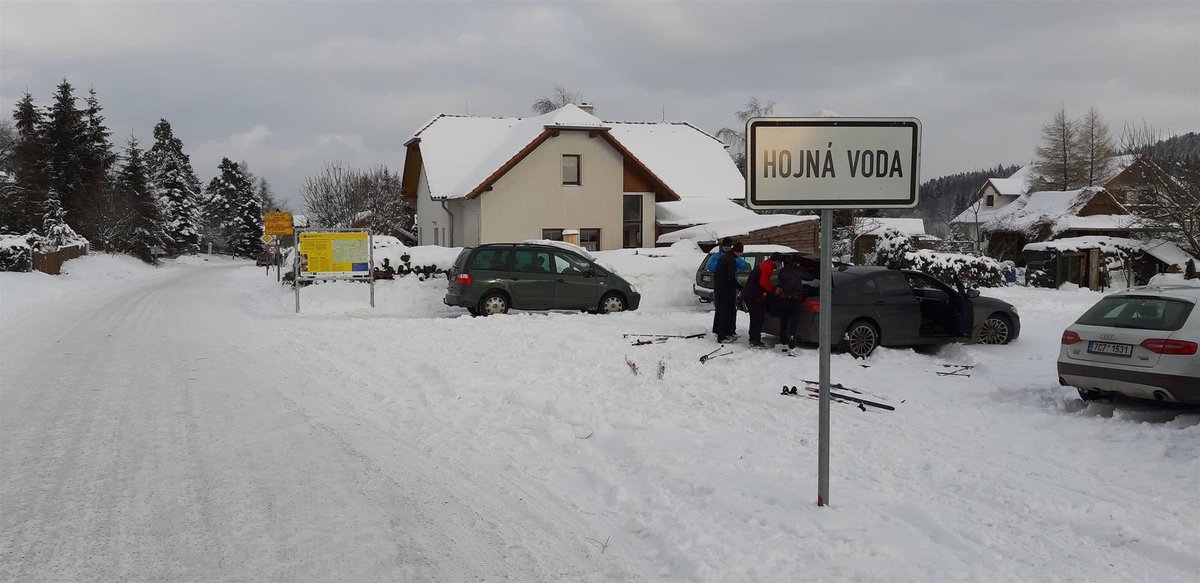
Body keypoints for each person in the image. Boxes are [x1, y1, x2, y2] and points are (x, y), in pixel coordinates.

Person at [774, 254, 814, 355]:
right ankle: (791, 346)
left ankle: (784, 343)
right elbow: (811, 278)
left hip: (784, 299)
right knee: (793, 324)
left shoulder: (783, 271)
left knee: (784, 322)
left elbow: (779, 285)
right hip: (794, 300)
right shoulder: (800, 270)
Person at [744, 252, 783, 348]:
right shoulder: (767, 267)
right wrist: (774, 290)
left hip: (751, 294)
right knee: (758, 318)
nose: (779, 265)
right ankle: (755, 340)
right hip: (753, 296)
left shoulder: (765, 265)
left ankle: (753, 338)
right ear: (776, 261)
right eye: (779, 263)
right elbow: (763, 282)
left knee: (755, 317)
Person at [713, 242, 744, 343]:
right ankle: (722, 337)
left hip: (720, 288)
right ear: (738, 252)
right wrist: (739, 286)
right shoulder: (731, 261)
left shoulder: (724, 257)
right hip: (725, 290)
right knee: (725, 312)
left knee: (726, 311)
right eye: (741, 253)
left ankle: (726, 332)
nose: (741, 255)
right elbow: (731, 277)